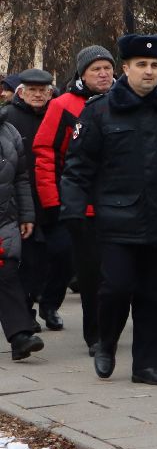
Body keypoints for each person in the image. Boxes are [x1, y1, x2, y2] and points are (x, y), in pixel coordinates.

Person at [61, 34, 157, 384]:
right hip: (116, 219)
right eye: (141, 65)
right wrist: (73, 211)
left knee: (154, 294)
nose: (149, 72)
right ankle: (106, 341)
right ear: (126, 68)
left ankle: (148, 364)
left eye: (154, 65)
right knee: (116, 289)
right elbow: (78, 167)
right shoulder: (100, 111)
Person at [34, 45, 115, 359]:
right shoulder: (64, 105)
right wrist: (55, 202)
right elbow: (45, 153)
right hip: (82, 206)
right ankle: (94, 334)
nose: (104, 73)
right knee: (90, 274)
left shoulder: (121, 101)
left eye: (108, 68)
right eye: (96, 69)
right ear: (82, 74)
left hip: (119, 204)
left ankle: (111, 328)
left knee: (117, 274)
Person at [4, 70, 68, 332]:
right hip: (23, 202)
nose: (39, 94)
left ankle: (50, 304)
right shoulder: (9, 117)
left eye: (44, 90)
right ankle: (26, 309)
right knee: (30, 262)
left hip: (57, 196)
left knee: (65, 255)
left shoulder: (59, 114)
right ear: (21, 92)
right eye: (33, 89)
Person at [0, 112, 40, 360]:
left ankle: (20, 337)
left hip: (5, 218)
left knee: (6, 272)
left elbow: (22, 178)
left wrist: (27, 215)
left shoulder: (9, 132)